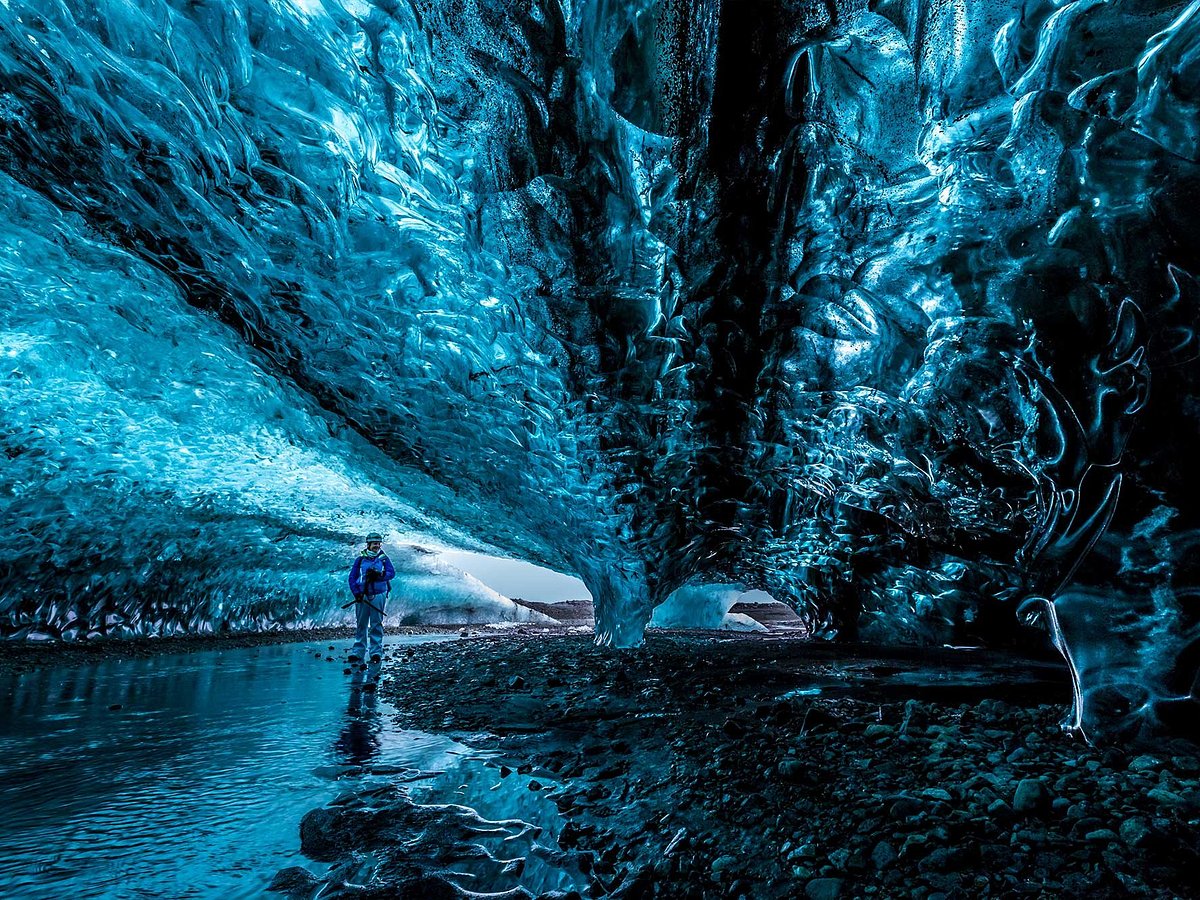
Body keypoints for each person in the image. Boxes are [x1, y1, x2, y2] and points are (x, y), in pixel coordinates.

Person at [347, 531, 395, 667]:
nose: (377, 545)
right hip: (362, 596)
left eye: (378, 543)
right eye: (374, 543)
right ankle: (358, 651)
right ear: (368, 544)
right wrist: (356, 593)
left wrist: (379, 576)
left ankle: (376, 652)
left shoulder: (383, 558)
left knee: (376, 623)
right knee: (361, 624)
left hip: (379, 594)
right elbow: (352, 577)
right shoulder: (360, 559)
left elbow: (391, 573)